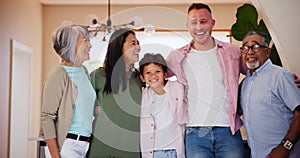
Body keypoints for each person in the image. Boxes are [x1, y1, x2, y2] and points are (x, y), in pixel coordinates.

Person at [166, 3, 248, 157]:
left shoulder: (232, 51)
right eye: (194, 23)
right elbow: (153, 74)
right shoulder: (177, 56)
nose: (199, 27)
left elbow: (255, 72)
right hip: (195, 134)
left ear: (212, 23)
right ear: (188, 26)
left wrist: (286, 77)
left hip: (228, 131)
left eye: (203, 21)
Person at [238, 31, 300, 158]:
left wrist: (285, 147)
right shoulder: (244, 84)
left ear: (267, 51)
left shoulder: (281, 76)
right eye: (245, 47)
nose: (250, 52)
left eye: (256, 47)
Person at [40, 22, 96, 158]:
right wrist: (55, 156)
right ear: (71, 45)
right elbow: (47, 118)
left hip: (84, 144)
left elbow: (82, 105)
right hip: (66, 146)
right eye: (85, 41)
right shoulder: (58, 74)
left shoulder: (83, 71)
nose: (90, 45)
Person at [88, 28, 143, 158]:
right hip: (102, 146)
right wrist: (92, 108)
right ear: (119, 47)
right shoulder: (98, 75)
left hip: (132, 148)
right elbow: (81, 107)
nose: (138, 47)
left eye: (138, 43)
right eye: (133, 43)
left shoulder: (140, 78)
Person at [139, 53, 188, 158]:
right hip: (152, 152)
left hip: (174, 150)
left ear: (165, 74)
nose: (153, 76)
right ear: (142, 78)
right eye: (148, 72)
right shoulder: (142, 95)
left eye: (157, 71)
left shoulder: (178, 88)